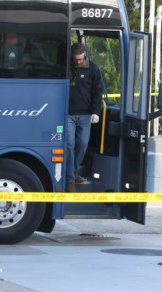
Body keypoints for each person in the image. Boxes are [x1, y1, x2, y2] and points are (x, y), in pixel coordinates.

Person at [66, 42, 103, 192]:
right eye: (76, 60)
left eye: (80, 59)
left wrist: (96, 112)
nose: (78, 62)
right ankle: (70, 180)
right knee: (69, 144)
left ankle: (73, 172)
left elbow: (97, 92)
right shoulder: (66, 68)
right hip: (67, 114)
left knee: (82, 144)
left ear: (84, 56)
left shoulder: (93, 69)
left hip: (85, 114)